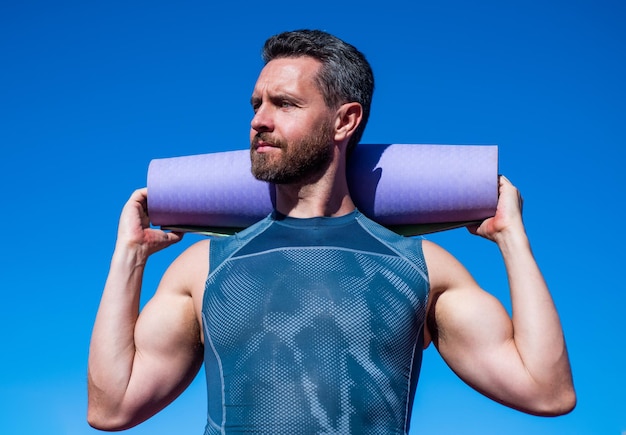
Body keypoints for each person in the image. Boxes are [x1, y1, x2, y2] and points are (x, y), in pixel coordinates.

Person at [87, 29, 576, 434]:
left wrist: (514, 242)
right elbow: (113, 408)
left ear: (345, 121)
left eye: (284, 104)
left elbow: (545, 391)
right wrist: (128, 258)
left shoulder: (422, 267)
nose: (259, 120)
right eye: (256, 104)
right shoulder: (204, 267)